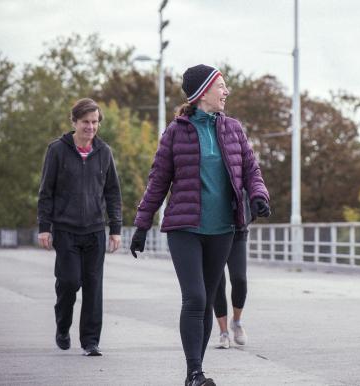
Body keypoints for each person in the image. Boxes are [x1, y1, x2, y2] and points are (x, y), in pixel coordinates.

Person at [129, 64, 270, 386]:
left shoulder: (233, 129)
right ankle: (194, 373)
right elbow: (157, 181)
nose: (226, 92)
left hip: (223, 230)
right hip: (185, 229)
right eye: (222, 86)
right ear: (203, 92)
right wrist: (141, 224)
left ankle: (197, 370)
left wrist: (259, 195)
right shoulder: (176, 132)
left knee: (206, 299)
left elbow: (251, 170)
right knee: (194, 297)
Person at [37, 98, 122, 357]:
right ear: (74, 122)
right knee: (68, 282)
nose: (91, 127)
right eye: (85, 122)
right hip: (66, 230)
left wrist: (116, 228)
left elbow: (112, 193)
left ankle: (90, 341)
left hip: (95, 230)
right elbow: (46, 192)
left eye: (95, 122)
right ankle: (63, 326)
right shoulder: (57, 150)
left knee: (94, 288)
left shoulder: (104, 152)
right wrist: (44, 227)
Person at [214, 193, 252, 349]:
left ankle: (236, 321)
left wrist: (259, 202)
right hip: (212, 230)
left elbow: (254, 183)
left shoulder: (242, 167)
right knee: (217, 282)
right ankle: (223, 332)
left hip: (237, 228)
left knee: (239, 279)